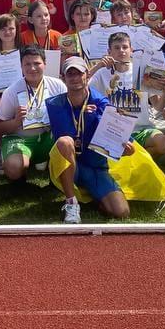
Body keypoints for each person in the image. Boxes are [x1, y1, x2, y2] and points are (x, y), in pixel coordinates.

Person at [47, 58, 132, 224]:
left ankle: (95, 197)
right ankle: (71, 203)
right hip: (71, 165)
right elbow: (66, 138)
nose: (75, 78)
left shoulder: (102, 102)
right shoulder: (55, 104)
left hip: (96, 167)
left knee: (121, 212)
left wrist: (126, 148)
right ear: (63, 78)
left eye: (79, 73)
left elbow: (125, 142)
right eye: (70, 74)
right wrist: (85, 119)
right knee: (65, 142)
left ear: (87, 75)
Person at [0, 45, 67, 183]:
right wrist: (16, 121)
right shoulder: (11, 91)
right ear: (21, 67)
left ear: (45, 64)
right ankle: (21, 174)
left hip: (48, 137)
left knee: (67, 142)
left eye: (37, 63)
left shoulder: (58, 86)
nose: (32, 68)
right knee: (14, 167)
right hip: (21, 139)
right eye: (27, 64)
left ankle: (52, 174)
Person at [92, 29, 165, 160]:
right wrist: (97, 66)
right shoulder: (102, 73)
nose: (121, 51)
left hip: (141, 129)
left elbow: (158, 107)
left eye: (125, 47)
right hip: (113, 130)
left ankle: (133, 162)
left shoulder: (143, 72)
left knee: (162, 143)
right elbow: (82, 88)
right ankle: (128, 161)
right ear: (109, 52)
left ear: (131, 50)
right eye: (116, 48)